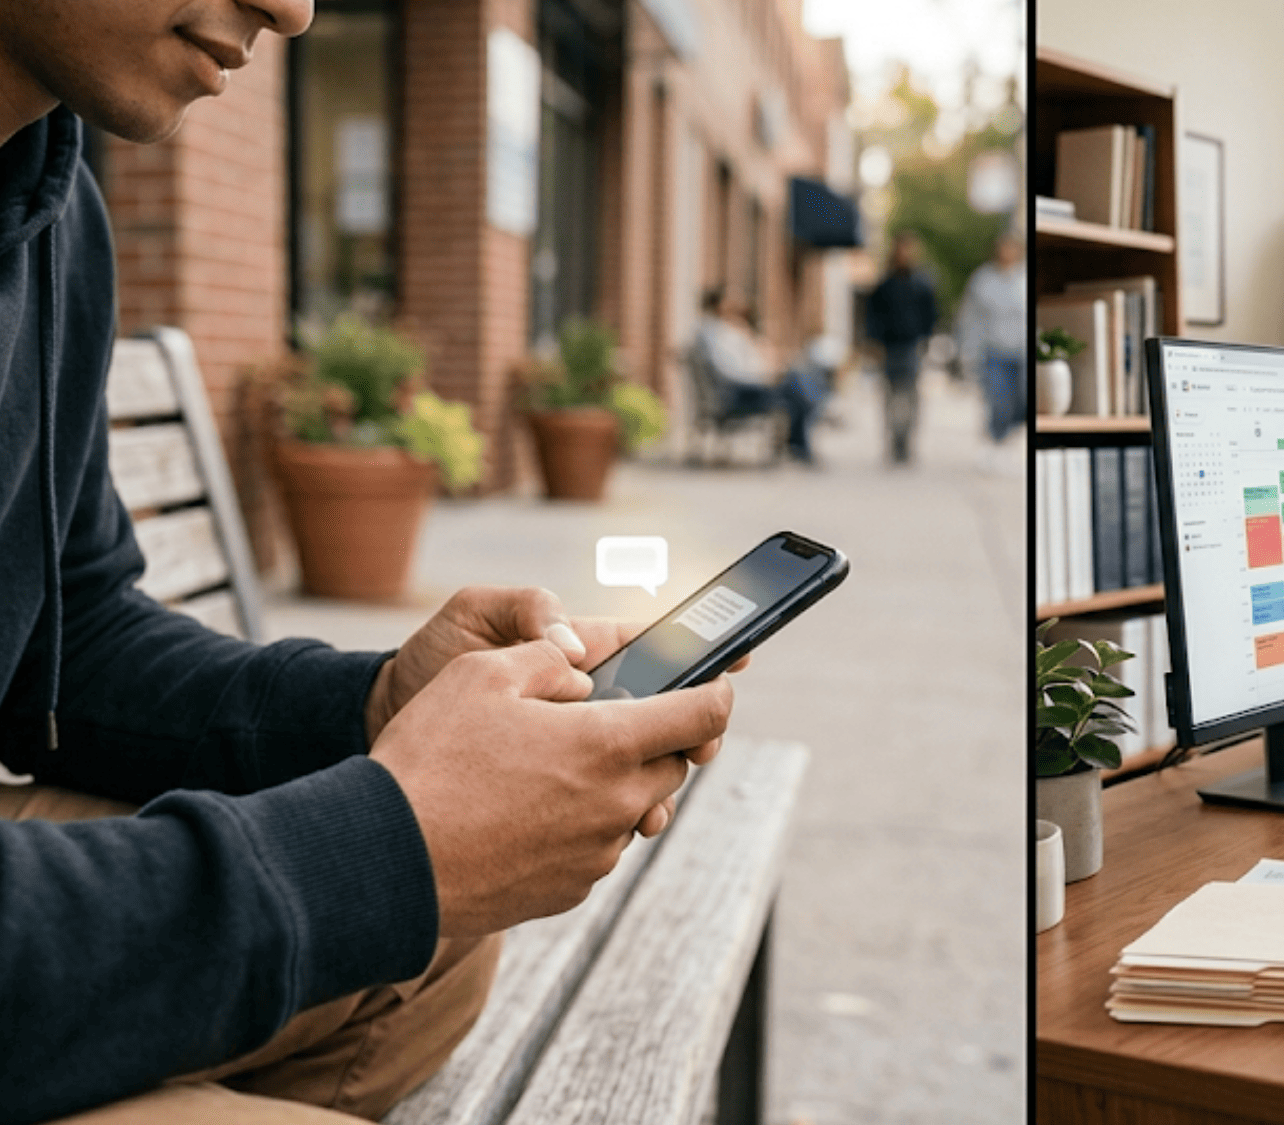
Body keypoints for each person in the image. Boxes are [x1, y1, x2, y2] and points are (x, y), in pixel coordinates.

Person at [0, 2, 742, 1121]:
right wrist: (382, 845)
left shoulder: (49, 209)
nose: (291, 9)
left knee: (431, 945)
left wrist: (378, 706)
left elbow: (76, 632)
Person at [692, 286, 824, 464]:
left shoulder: (719, 330)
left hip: (740, 388)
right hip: (734, 394)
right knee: (794, 386)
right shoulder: (712, 334)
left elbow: (742, 362)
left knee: (795, 387)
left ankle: (801, 442)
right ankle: (802, 442)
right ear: (719, 305)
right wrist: (761, 379)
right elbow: (728, 372)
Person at [863, 230, 937, 464]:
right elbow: (872, 315)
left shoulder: (923, 284)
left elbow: (931, 315)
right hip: (888, 347)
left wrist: (926, 340)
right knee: (891, 398)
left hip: (912, 346)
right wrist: (874, 342)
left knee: (910, 398)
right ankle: (893, 443)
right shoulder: (884, 284)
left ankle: (907, 444)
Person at [955, 229, 1027, 455]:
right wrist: (967, 350)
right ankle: (996, 441)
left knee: (1021, 401)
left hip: (1022, 353)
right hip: (994, 351)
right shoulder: (983, 279)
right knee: (998, 400)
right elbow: (970, 318)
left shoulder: (1024, 278)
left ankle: (1007, 434)